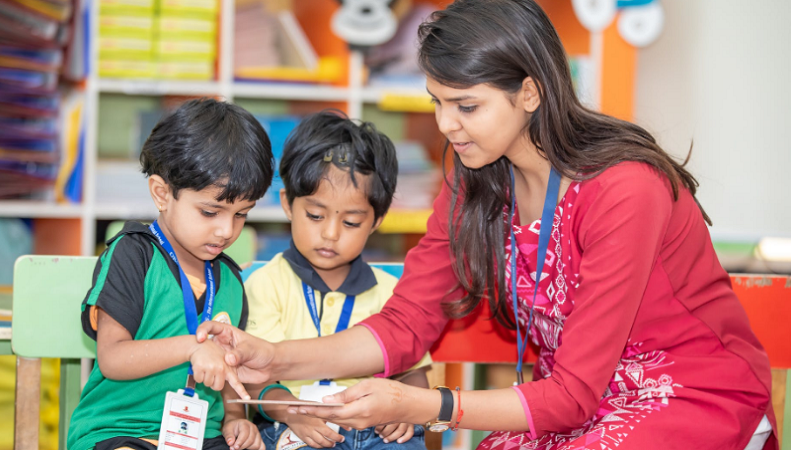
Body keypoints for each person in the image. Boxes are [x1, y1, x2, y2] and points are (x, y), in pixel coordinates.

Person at [195, 1, 777, 449]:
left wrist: (425, 406)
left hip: (693, 400)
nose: (447, 124)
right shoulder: (474, 180)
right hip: (572, 405)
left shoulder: (625, 188)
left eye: (466, 106)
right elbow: (406, 325)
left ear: (530, 92)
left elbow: (572, 394)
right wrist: (275, 357)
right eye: (437, 102)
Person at [67, 99, 274, 450]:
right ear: (162, 194)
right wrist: (192, 349)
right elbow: (113, 358)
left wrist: (237, 418)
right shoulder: (132, 254)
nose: (226, 231)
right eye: (211, 211)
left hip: (203, 437)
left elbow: (230, 369)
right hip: (120, 431)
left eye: (242, 214)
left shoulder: (232, 281)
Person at [243, 111, 431, 450]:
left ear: (376, 221)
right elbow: (258, 382)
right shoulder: (265, 285)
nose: (329, 234)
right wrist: (294, 413)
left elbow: (413, 371)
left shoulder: (393, 294)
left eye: (351, 222)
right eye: (315, 216)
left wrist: (407, 405)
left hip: (375, 429)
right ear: (287, 203)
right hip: (296, 424)